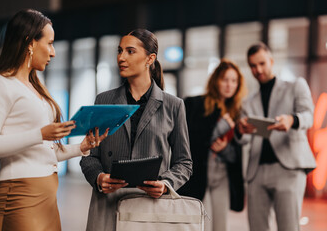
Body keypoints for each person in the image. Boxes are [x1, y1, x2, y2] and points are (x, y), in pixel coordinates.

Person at [0, 9, 108, 231]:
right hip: (19, 198)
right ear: (30, 43)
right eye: (50, 43)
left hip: (47, 199)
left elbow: (44, 152)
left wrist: (82, 148)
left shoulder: (36, 90)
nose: (53, 52)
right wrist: (40, 134)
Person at [80, 29, 193, 231]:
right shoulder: (104, 101)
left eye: (130, 51)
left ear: (150, 59)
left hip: (150, 209)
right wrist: (99, 177)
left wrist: (166, 183)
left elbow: (184, 162)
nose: (121, 57)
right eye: (120, 50)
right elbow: (89, 156)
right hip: (108, 206)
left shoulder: (173, 105)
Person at [236, 42, 316, 231]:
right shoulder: (248, 102)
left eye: (262, 63)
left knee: (288, 227)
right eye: (253, 66)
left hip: (288, 169)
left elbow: (308, 116)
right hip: (257, 172)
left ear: (271, 61)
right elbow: (245, 140)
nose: (258, 70)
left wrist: (292, 120)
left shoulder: (295, 86)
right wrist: (241, 131)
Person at [178, 59, 246, 231]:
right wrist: (220, 128)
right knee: (202, 224)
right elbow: (191, 139)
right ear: (216, 80)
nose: (229, 85)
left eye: (234, 81)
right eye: (225, 79)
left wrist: (225, 149)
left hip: (223, 176)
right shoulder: (196, 105)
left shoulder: (237, 112)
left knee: (221, 225)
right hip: (199, 175)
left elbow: (237, 153)